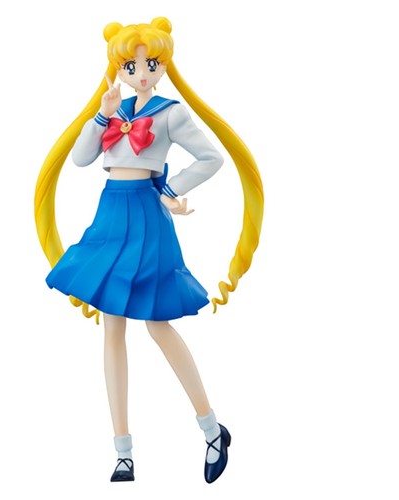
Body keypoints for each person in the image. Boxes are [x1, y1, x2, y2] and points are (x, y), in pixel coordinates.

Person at [34, 17, 264, 484]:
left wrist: (171, 191)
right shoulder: (113, 110)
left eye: (151, 65)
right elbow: (80, 159)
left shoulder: (170, 112)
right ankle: (123, 451)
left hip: (146, 215)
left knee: (157, 323)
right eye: (131, 66)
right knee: (111, 327)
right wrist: (102, 115)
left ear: (163, 66)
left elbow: (212, 158)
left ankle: (212, 428)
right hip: (110, 214)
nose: (141, 73)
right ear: (118, 68)